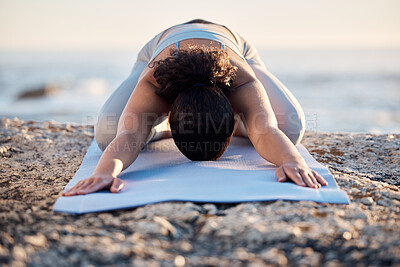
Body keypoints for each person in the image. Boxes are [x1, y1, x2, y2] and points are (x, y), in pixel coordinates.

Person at [62, 19, 327, 197]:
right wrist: (104, 173)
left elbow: (266, 129)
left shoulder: (241, 80)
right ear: (169, 107)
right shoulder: (155, 80)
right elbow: (128, 136)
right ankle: (151, 128)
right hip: (157, 50)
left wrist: (292, 161)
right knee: (109, 132)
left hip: (239, 51)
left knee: (290, 128)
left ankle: (246, 117)